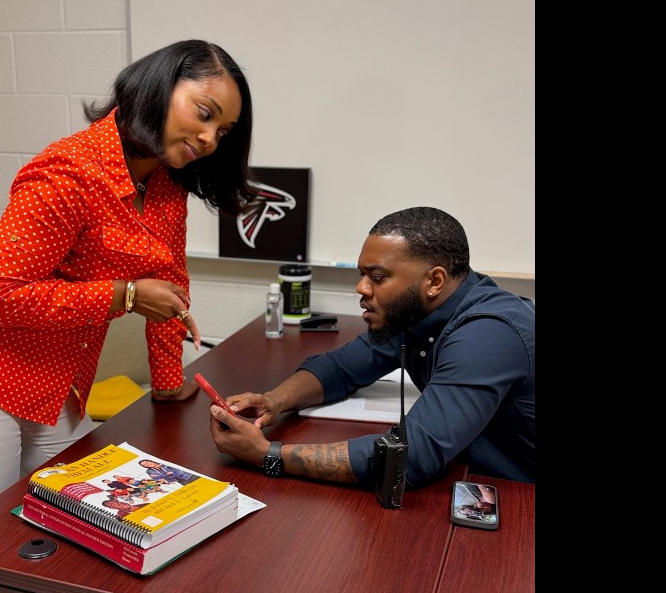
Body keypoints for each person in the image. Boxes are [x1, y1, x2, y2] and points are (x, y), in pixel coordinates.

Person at [0, 40, 256, 496]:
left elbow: (170, 286)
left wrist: (168, 383)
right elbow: (2, 295)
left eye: (224, 130)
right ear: (159, 89)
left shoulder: (164, 185)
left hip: (59, 386)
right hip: (1, 377)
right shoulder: (69, 172)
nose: (211, 138)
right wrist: (127, 295)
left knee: (84, 501)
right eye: (204, 112)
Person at [208, 206, 535, 487]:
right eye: (363, 274)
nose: (361, 288)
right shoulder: (419, 311)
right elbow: (338, 368)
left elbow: (408, 456)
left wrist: (268, 455)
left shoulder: (488, 334)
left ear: (434, 281)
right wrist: (273, 401)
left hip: (518, 493)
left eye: (377, 277)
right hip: (469, 471)